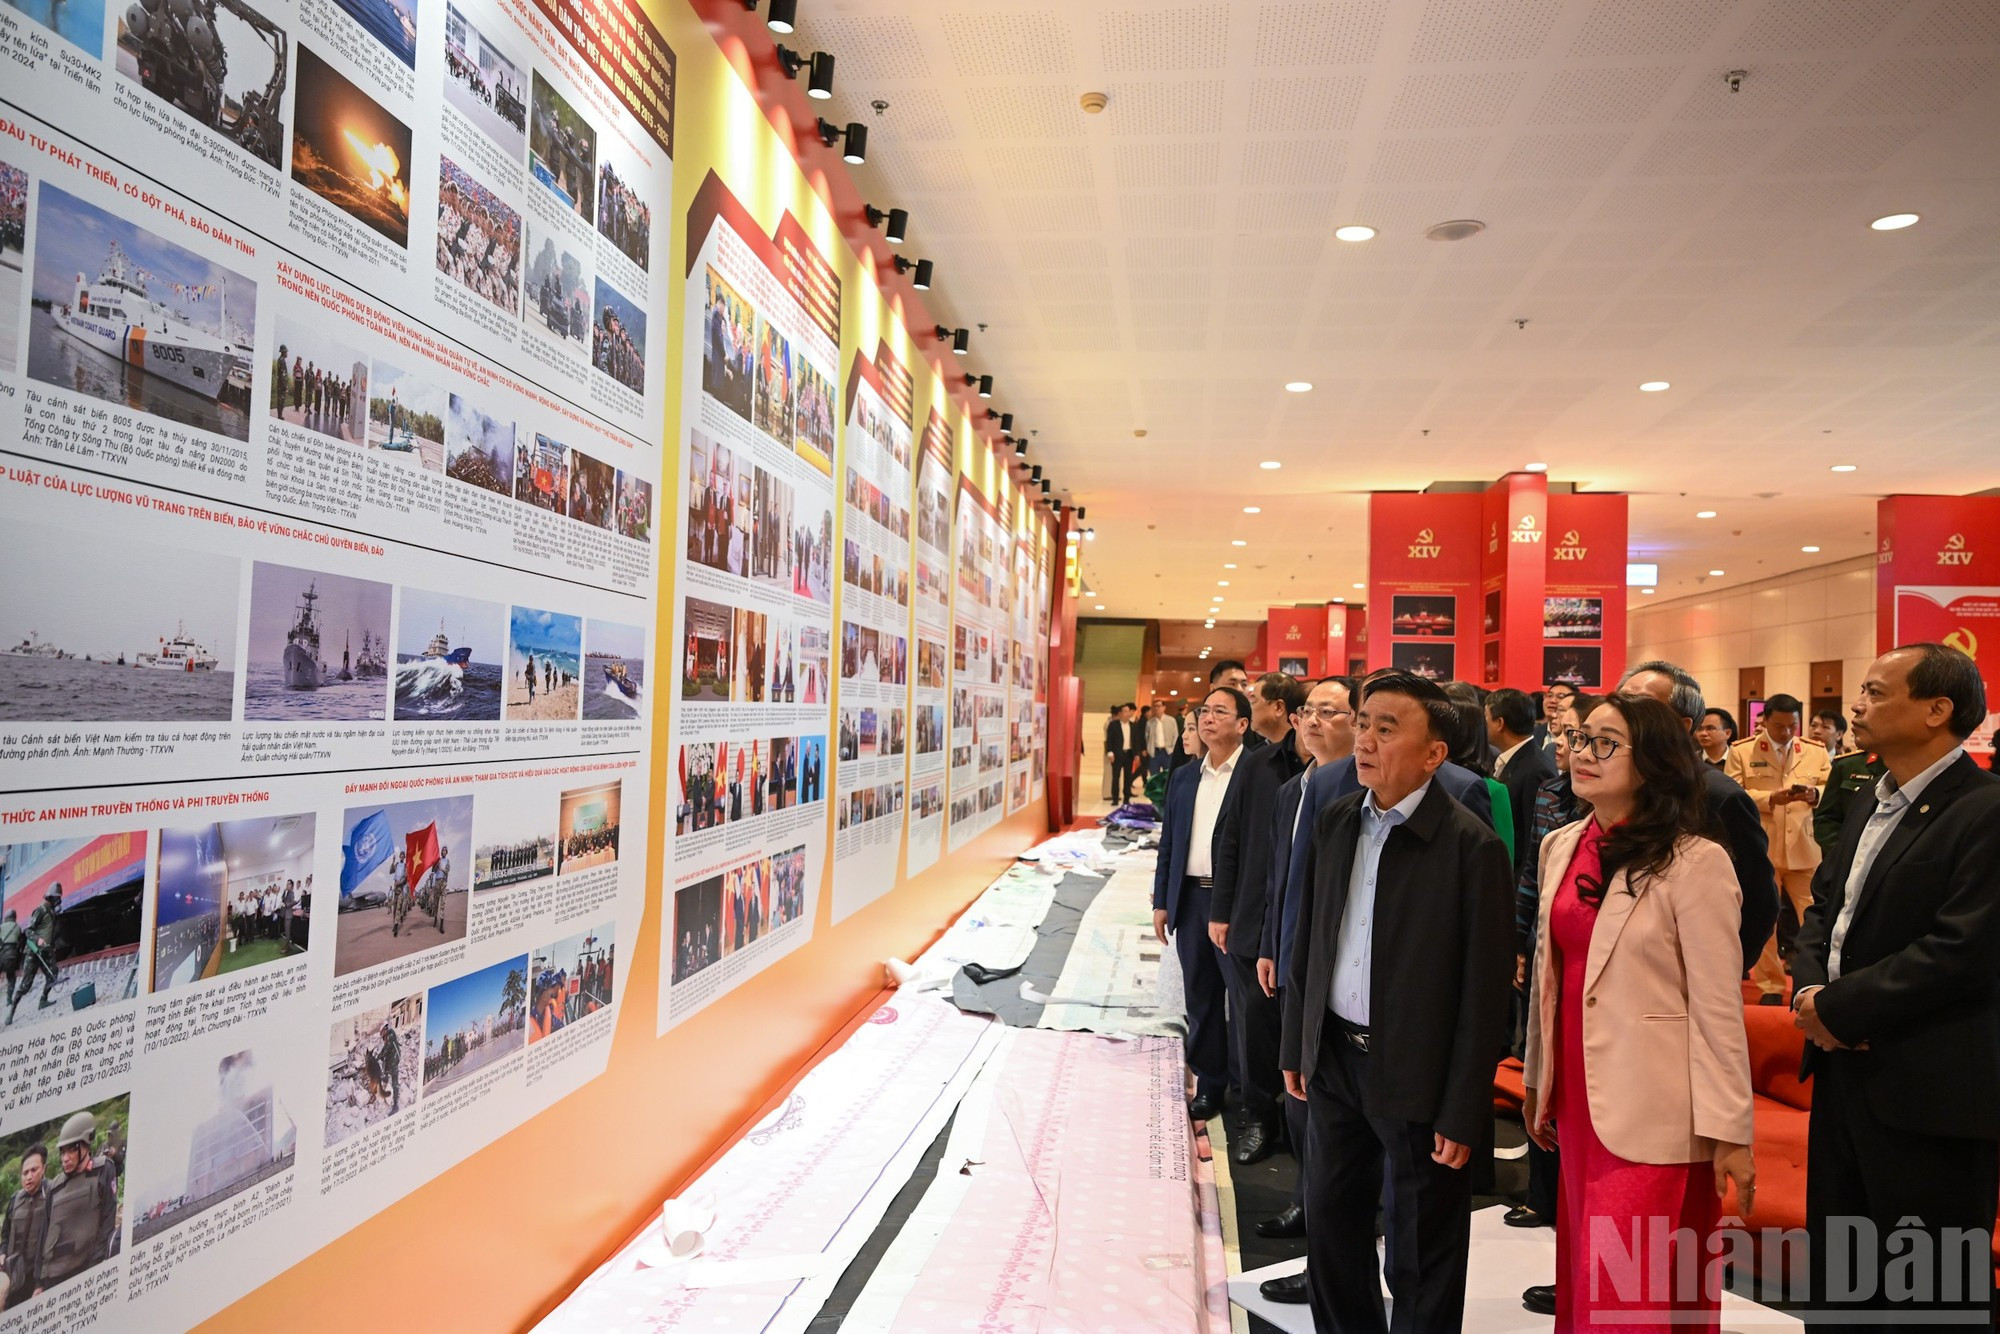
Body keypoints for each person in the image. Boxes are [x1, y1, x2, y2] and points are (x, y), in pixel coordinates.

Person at [1522, 660, 1777, 1316]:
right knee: (1588, 1271)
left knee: (1629, 1293)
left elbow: (1717, 1007)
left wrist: (1732, 1131)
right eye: (1581, 739)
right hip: (1578, 1096)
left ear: (1657, 760)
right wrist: (1537, 1080)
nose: (1584, 755)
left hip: (1656, 1103)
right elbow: (1551, 979)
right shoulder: (1562, 844)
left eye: (1606, 743)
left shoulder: (1696, 862)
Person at [1281, 671, 1513, 1332]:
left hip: (1418, 1072)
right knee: (1332, 1231)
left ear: (1434, 753)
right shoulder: (1334, 822)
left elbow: (1483, 994)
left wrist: (1464, 1107)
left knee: (1421, 1249)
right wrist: (1299, 1041)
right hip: (1334, 1060)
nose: (1367, 740)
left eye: (1388, 728)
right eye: (1365, 723)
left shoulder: (1472, 848)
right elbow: (1310, 944)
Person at [1792, 643, 2000, 1324]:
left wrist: (1840, 1009)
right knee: (1843, 1280)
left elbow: (1962, 948)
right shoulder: (1867, 798)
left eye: (1877, 693)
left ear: (1937, 710)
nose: (1856, 707)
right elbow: (1826, 908)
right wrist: (1808, 993)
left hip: (1931, 1089)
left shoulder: (1984, 810)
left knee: (1930, 1295)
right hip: (1843, 1075)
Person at [1251, 675, 1354, 1299]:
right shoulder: (1296, 788)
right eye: (1310, 711)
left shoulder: (1357, 792)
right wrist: (1269, 945)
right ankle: (1307, 1202)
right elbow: (1281, 881)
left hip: (1332, 979)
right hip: (1288, 961)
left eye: (1332, 712)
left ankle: (1329, 1227)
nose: (1315, 722)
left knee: (1324, 1105)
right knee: (1297, 1097)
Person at [1504, 690, 1595, 1231]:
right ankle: (1544, 1194)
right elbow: (1532, 880)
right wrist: (1521, 943)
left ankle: (1572, 1205)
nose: (1563, 746)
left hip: (1591, 966)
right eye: (1562, 735)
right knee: (1539, 1067)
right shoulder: (1549, 793)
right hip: (1543, 950)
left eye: (1579, 737)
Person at [1209, 674, 1308, 1166]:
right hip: (1253, 915)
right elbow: (1228, 838)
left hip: (1308, 921)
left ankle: (1297, 1124)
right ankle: (1258, 1115)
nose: (1315, 723)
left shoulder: (1343, 773)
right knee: (1254, 1024)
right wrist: (1221, 910)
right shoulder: (1257, 765)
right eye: (1313, 713)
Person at [1153, 687, 1253, 1120]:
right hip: (1191, 897)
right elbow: (1169, 844)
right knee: (1201, 995)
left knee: (1246, 1000)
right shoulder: (1185, 777)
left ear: (1243, 725)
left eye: (1220, 712)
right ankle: (1210, 1084)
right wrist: (1162, 900)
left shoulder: (1254, 774)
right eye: (1204, 712)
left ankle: (1252, 1091)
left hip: (1234, 902)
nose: (1208, 719)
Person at [1727, 693, 1832, 1004]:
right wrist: (1771, 798)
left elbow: (1830, 788)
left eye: (1792, 725)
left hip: (1804, 845)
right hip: (1761, 846)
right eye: (1779, 725)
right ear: (1765, 721)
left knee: (1814, 917)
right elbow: (1734, 791)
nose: (1786, 732)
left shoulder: (1814, 751)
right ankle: (1770, 986)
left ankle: (1814, 980)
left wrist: (1815, 794)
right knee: (1765, 922)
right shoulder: (1743, 751)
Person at [36, 1114, 119, 1294]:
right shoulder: (55, 1186)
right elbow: (45, 1233)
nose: (65, 1158)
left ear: (86, 1144)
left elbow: (107, 1222)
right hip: (52, 1278)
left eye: (71, 1150)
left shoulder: (104, 1170)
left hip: (84, 1271)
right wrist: (39, 1283)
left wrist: (94, 1270)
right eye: (62, 1152)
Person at [1489, 687, 1556, 878]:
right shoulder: (1513, 758)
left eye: (1486, 717)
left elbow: (1531, 838)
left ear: (1500, 723)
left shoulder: (1535, 768)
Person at [1813, 744, 1886, 861]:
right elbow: (1826, 819)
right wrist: (1844, 854)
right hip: (1848, 859)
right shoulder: (1848, 765)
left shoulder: (1917, 766)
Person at [0, 1143, 48, 1309]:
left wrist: (40, 1283)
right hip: (13, 1274)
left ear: (44, 1169)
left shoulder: (52, 1195)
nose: (28, 1177)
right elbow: (5, 1234)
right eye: (25, 1173)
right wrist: (2, 1252)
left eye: (34, 1170)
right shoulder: (15, 1200)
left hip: (38, 1277)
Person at [8, 889, 61, 1022]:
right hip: (33, 951)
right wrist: (37, 940)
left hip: (45, 951)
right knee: (25, 986)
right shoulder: (41, 910)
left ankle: (43, 1000)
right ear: (51, 898)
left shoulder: (52, 913)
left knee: (53, 973)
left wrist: (51, 946)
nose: (58, 900)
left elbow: (50, 932)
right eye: (57, 897)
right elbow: (28, 931)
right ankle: (12, 1011)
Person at [1144, 699, 1178, 777]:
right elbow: (1147, 737)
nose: (1157, 708)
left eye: (1159, 706)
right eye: (1155, 706)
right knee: (1154, 776)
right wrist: (1149, 749)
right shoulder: (1150, 722)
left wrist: (1172, 749)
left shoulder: (1171, 720)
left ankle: (1167, 790)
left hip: (1167, 752)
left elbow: (1175, 736)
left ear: (1164, 707)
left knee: (1168, 776)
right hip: (1155, 752)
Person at [378, 1020, 403, 1113]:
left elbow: (387, 1049)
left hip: (395, 1058)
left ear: (385, 1029)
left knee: (394, 1082)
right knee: (385, 1063)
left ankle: (396, 1105)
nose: (381, 1035)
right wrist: (378, 1056)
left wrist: (380, 1056)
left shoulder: (390, 1035)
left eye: (382, 1032)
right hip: (391, 1057)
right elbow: (385, 1049)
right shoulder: (388, 1036)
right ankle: (385, 1077)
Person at [0, 911, 20, 1017]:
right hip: (11, 956)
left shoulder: (1, 926)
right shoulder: (17, 927)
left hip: (1, 956)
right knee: (11, 977)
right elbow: (18, 941)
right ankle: (9, 999)